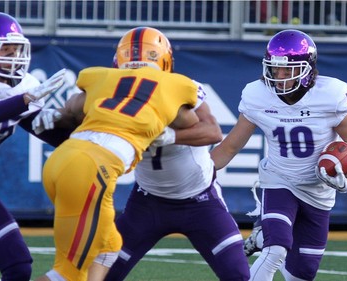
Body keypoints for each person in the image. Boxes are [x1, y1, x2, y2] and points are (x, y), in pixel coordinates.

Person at [32, 26, 203, 281]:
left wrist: (57, 115)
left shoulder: (103, 78)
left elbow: (72, 108)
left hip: (62, 158)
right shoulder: (176, 85)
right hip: (91, 169)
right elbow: (192, 121)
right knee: (67, 273)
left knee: (108, 249)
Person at [210, 29, 347, 281]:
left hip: (318, 192)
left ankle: (262, 235)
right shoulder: (258, 94)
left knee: (303, 273)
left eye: (289, 70)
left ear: (308, 69)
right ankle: (269, 238)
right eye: (275, 70)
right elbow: (230, 146)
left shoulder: (330, 95)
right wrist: (200, 173)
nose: (280, 77)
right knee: (276, 249)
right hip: (279, 180)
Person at [103, 80, 251, 280]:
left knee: (238, 274)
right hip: (147, 202)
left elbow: (212, 132)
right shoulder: (112, 95)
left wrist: (169, 135)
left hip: (200, 201)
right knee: (102, 273)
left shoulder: (181, 88)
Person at [0, 12, 66, 281]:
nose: (13, 56)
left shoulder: (21, 87)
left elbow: (48, 132)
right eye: (6, 48)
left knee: (18, 266)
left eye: (16, 48)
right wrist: (25, 100)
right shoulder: (23, 94)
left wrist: (99, 133)